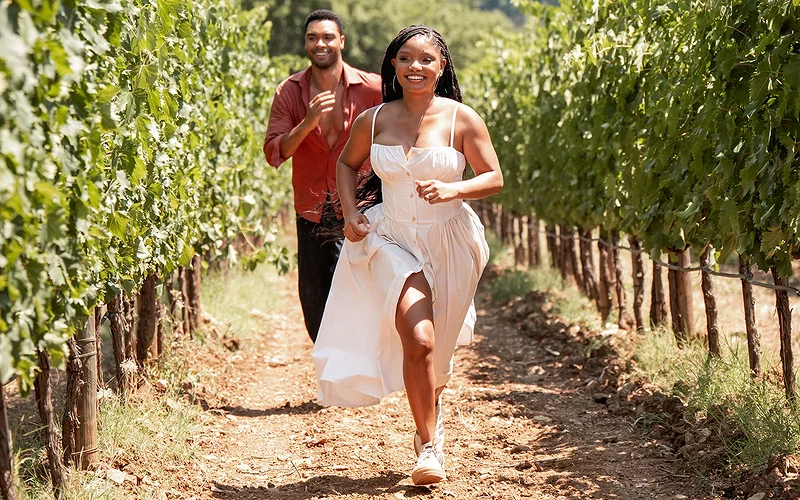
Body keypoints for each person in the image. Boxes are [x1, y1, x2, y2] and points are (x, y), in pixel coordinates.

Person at [311, 25, 503, 485]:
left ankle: (431, 409)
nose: (415, 67)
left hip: (452, 241)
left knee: (438, 359)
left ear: (441, 67)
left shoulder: (462, 119)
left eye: (426, 59)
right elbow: (345, 163)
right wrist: (353, 212)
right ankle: (428, 446)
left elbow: (493, 177)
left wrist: (454, 187)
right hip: (392, 240)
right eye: (405, 59)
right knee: (418, 340)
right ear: (393, 66)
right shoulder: (374, 120)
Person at [264, 10, 382, 343]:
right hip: (312, 207)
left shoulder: (372, 89)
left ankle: (356, 370)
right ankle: (331, 365)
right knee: (313, 298)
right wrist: (307, 122)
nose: (320, 44)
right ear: (305, 43)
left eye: (328, 37)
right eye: (313, 37)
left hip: (363, 207)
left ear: (341, 41)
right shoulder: (289, 91)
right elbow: (275, 152)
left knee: (360, 288)